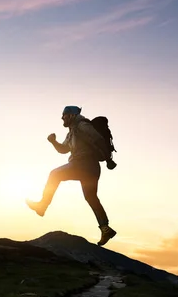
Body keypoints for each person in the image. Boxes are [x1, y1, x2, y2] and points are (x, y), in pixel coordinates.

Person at [25, 105, 117, 246]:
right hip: (90, 168)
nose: (62, 117)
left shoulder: (82, 125)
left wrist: (109, 159)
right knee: (91, 197)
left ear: (72, 115)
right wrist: (53, 142)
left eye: (64, 115)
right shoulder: (72, 132)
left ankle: (42, 206)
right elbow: (63, 150)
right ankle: (105, 228)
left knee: (54, 175)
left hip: (83, 164)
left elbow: (98, 138)